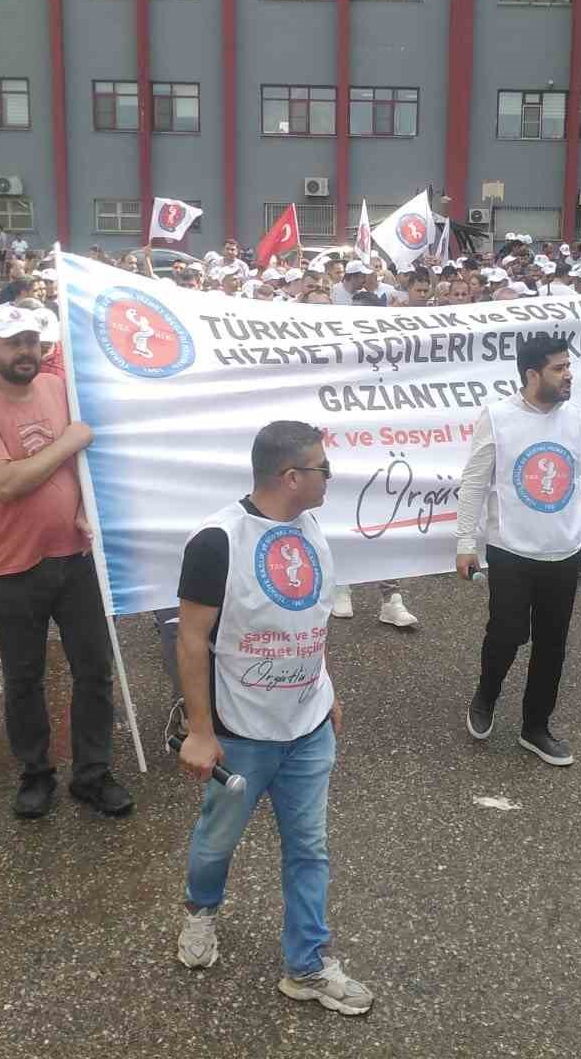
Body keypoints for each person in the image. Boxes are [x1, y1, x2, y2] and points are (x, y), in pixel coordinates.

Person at [173, 421, 373, 1016]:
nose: (329, 478)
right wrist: (201, 732)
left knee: (309, 849)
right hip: (243, 736)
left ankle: (306, 966)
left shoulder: (311, 529)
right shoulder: (216, 541)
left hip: (308, 728)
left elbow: (311, 619)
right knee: (217, 843)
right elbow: (190, 639)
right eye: (322, 469)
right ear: (292, 477)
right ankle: (201, 911)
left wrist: (325, 687)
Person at [0, 304, 132, 820]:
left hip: (75, 559)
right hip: (12, 566)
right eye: (14, 342)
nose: (26, 351)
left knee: (94, 670)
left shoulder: (57, 388)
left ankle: (93, 774)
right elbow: (4, 484)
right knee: (24, 677)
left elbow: (83, 465)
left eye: (33, 340)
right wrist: (69, 440)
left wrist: (79, 506)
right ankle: (36, 773)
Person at [455, 333, 581, 766]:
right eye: (559, 368)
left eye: (568, 366)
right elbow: (474, 484)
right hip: (511, 550)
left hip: (564, 552)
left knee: (552, 643)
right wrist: (466, 543)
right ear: (531, 374)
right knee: (506, 633)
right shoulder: (498, 418)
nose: (568, 375)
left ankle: (535, 727)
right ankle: (485, 696)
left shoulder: (574, 417)